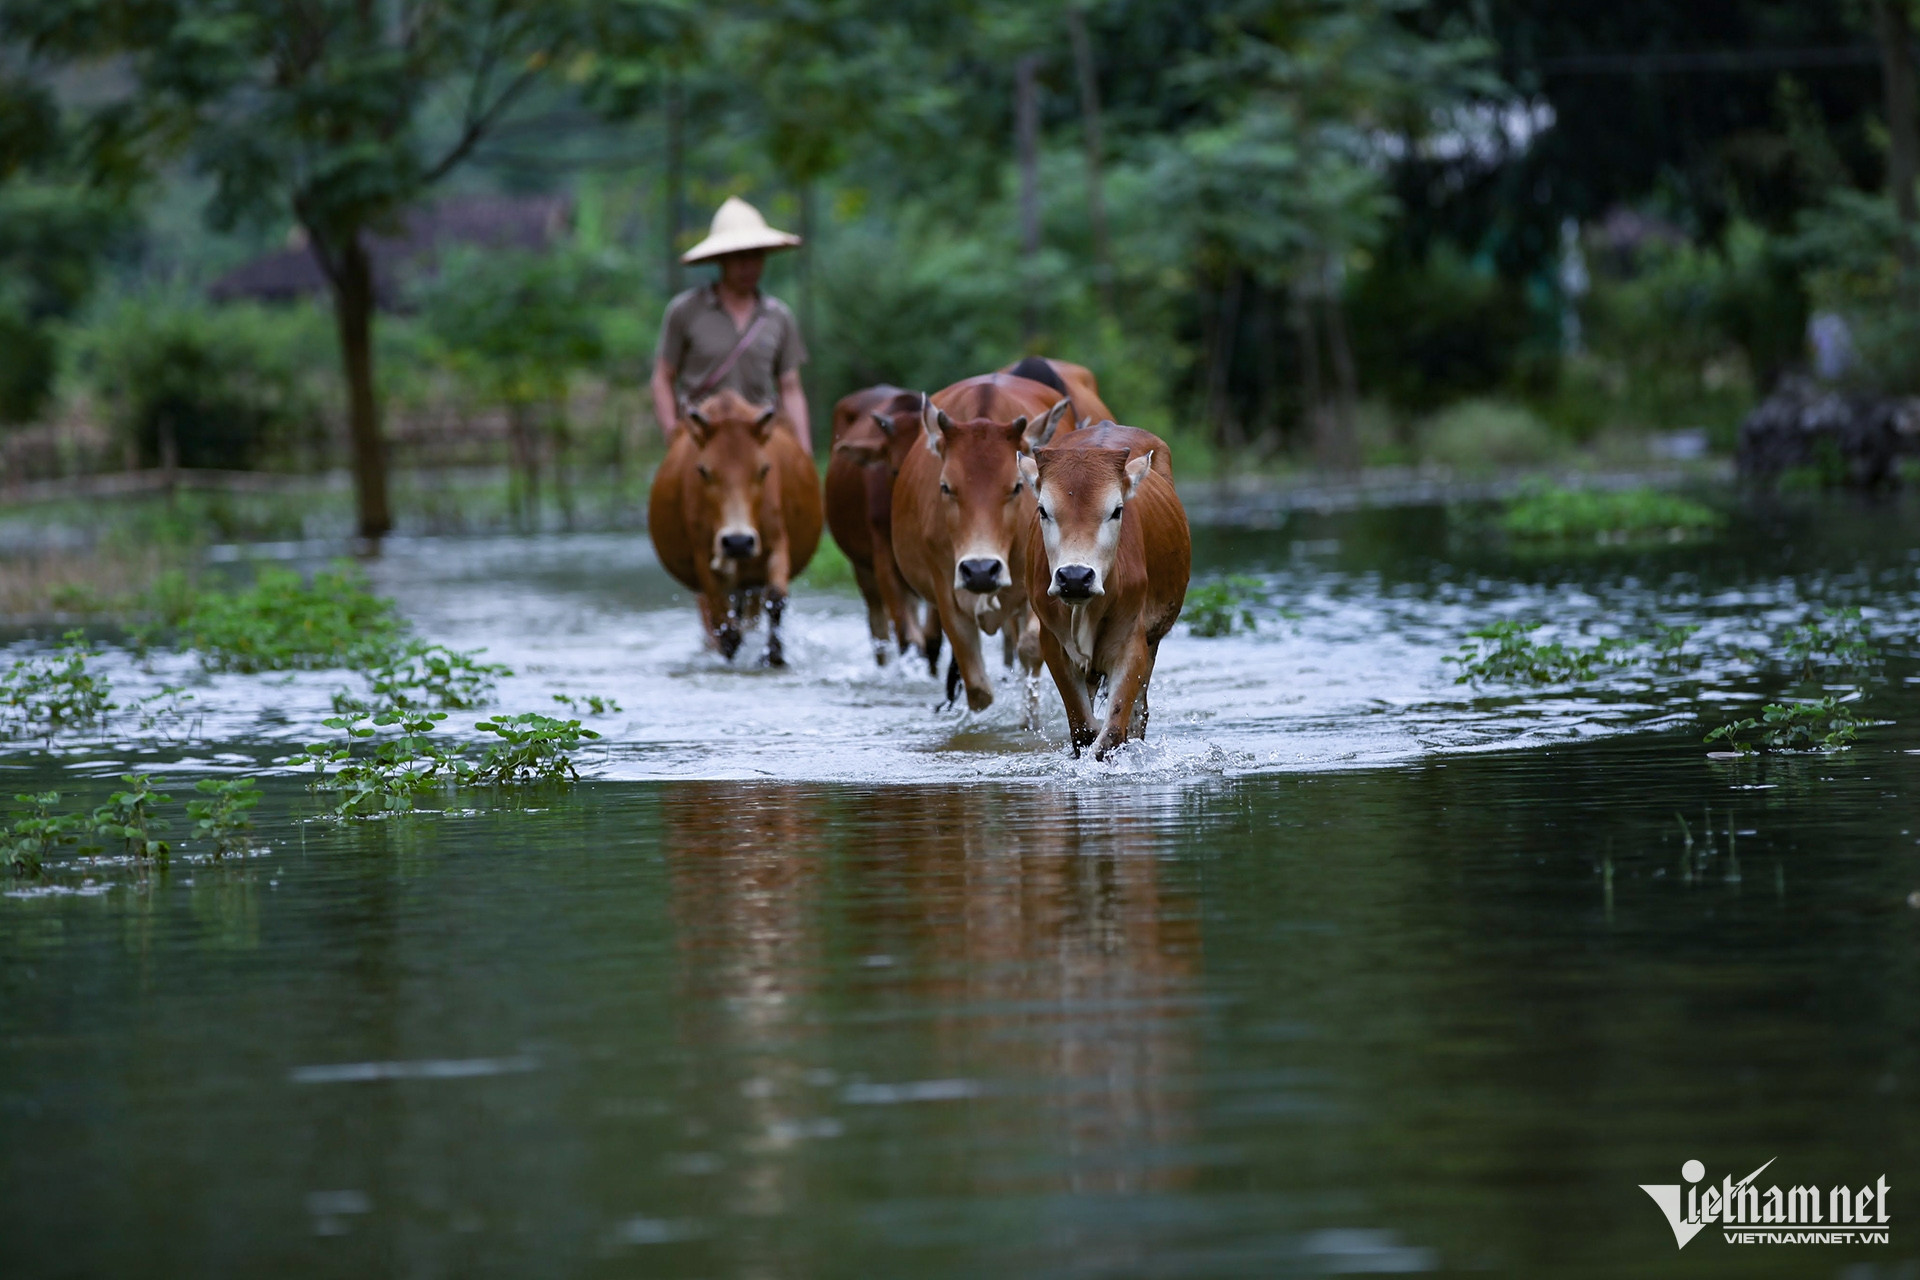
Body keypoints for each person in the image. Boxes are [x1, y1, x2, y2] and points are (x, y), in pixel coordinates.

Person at [651, 196, 813, 453]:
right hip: (702, 438)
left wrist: (804, 450)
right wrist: (672, 434)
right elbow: (663, 377)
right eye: (739, 257)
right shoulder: (685, 310)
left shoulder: (778, 316)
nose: (749, 266)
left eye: (756, 256)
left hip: (760, 438)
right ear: (722, 259)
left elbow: (790, 387)